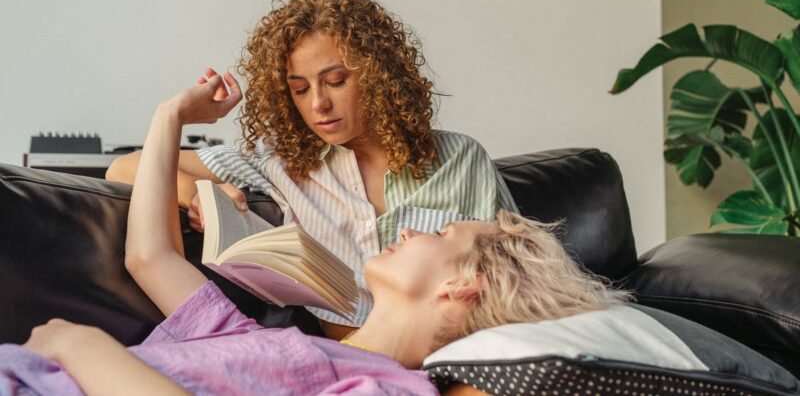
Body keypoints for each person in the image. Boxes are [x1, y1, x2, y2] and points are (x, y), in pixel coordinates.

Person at [2, 74, 627, 395]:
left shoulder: (388, 387)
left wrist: (80, 344)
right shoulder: (269, 338)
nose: (412, 232)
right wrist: (172, 116)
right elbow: (150, 257)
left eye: (440, 233)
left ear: (465, 286)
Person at [105, 0, 519, 338]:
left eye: (336, 81)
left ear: (377, 73)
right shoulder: (285, 159)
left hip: (452, 356)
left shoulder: (461, 160)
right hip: (344, 359)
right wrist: (198, 193)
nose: (319, 104)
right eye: (300, 89)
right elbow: (125, 168)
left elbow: (522, 282)